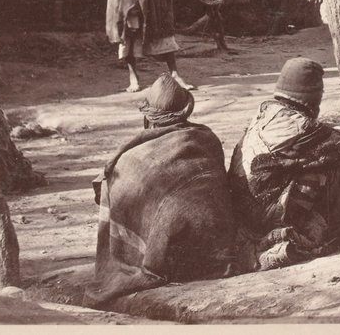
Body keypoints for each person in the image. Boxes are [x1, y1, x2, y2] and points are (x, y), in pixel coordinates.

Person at [85, 74, 250, 307]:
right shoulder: (207, 138)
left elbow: (119, 198)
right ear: (186, 111)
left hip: (169, 262)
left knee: (112, 184)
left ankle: (132, 256)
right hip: (218, 251)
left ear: (148, 117)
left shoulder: (132, 160)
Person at [229, 58, 340, 269]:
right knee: (331, 163)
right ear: (313, 96)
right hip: (266, 216)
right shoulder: (299, 124)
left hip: (245, 214)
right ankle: (334, 227)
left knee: (317, 158)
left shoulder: (264, 114)